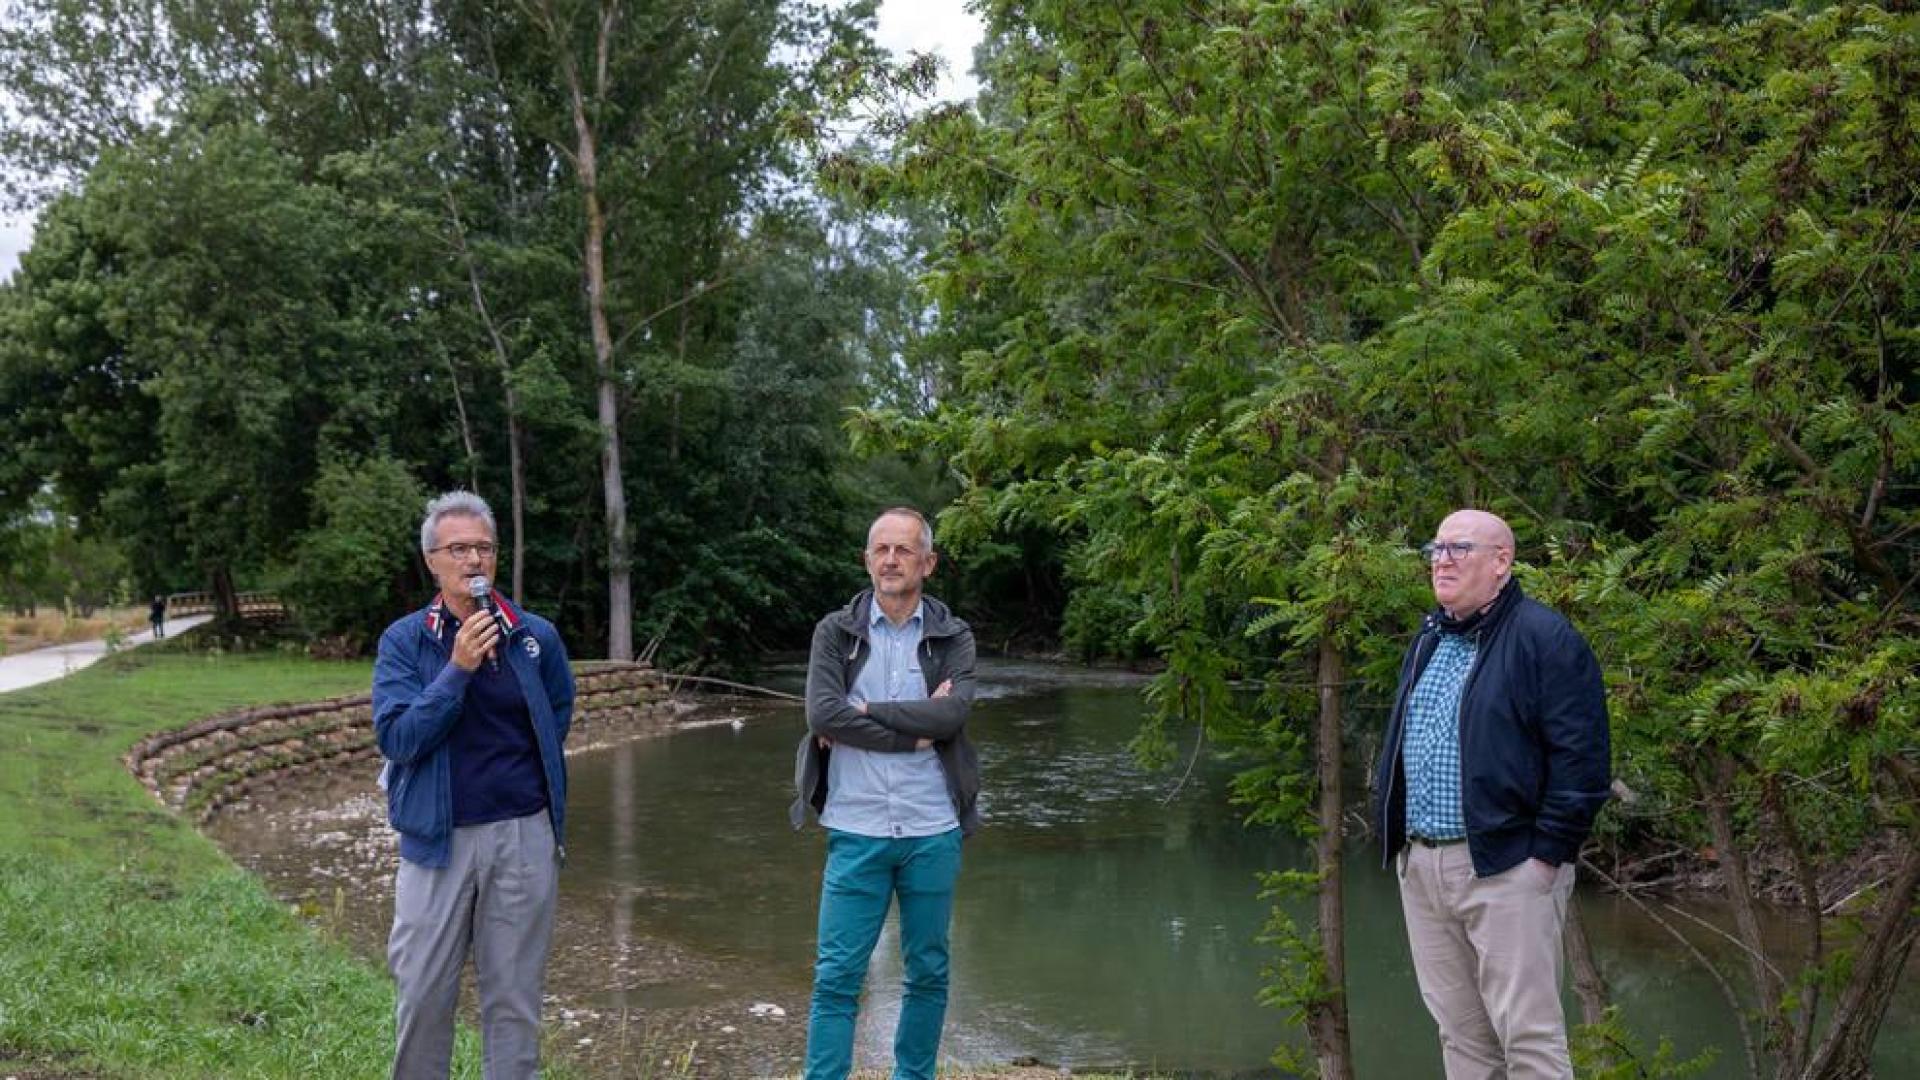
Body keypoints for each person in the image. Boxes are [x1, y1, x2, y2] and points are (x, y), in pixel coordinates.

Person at [1373, 508, 1611, 1080]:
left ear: (1501, 562)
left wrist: (1545, 857)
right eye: (1436, 549)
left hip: (1506, 867)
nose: (1442, 560)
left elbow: (1582, 762)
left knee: (1528, 1040)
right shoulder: (1430, 636)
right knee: (1462, 1038)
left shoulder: (1544, 638)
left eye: (1460, 548)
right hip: (1424, 866)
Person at [372, 490, 574, 1080]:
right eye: (458, 549)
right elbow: (401, 738)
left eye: (484, 548)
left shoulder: (533, 636)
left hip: (522, 836)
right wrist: (457, 669)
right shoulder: (407, 641)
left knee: (514, 999)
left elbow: (555, 715)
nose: (474, 561)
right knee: (423, 994)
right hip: (438, 840)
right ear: (432, 560)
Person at [791, 507, 980, 1080]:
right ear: (867, 560)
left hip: (932, 828)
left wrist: (868, 712)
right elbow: (823, 712)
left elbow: (951, 714)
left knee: (927, 971)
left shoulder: (953, 635)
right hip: (857, 826)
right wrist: (910, 737)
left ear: (928, 562)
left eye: (903, 550)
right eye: (881, 550)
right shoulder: (835, 632)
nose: (891, 560)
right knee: (836, 976)